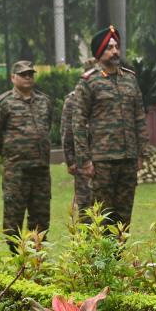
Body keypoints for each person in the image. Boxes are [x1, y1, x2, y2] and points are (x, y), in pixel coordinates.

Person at [72, 26, 148, 227]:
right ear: (99, 52)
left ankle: (119, 248)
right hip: (102, 160)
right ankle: (100, 249)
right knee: (101, 216)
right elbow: (78, 123)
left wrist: (141, 153)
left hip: (128, 159)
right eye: (109, 47)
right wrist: (84, 160)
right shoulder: (89, 82)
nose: (115, 51)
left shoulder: (130, 79)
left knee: (123, 217)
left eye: (116, 47)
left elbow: (139, 118)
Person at [0, 60, 53, 239]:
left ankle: (37, 251)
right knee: (13, 217)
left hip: (40, 170)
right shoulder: (4, 103)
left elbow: (47, 127)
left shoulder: (44, 101)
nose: (27, 77)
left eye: (30, 74)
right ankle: (16, 253)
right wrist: (11, 153)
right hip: (16, 171)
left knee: (41, 218)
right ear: (13, 77)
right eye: (23, 74)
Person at [61, 60, 96, 214]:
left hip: (106, 154)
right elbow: (67, 130)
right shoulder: (73, 98)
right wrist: (70, 160)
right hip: (83, 157)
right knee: (85, 202)